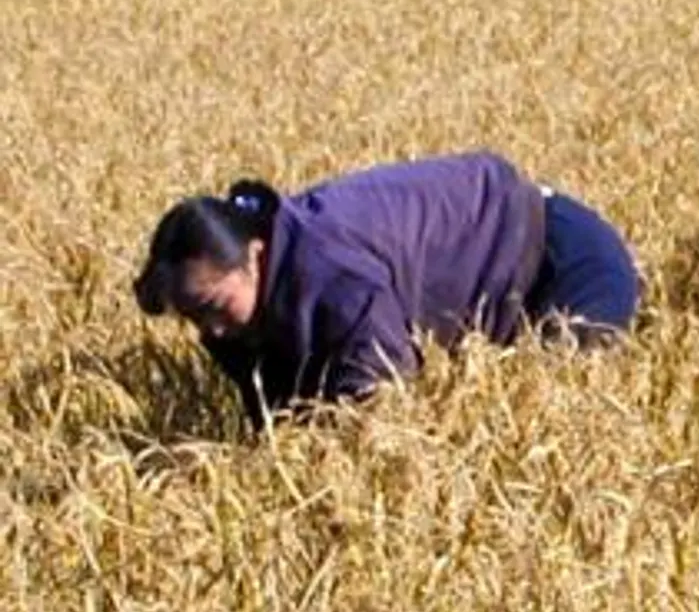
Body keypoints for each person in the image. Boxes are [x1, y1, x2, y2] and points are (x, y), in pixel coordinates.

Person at [132, 151, 643, 429]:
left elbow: (378, 409)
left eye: (214, 308)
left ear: (255, 255)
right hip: (506, 261)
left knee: (559, 421)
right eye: (194, 318)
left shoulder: (335, 279)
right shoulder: (237, 303)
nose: (211, 329)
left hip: (566, 262)